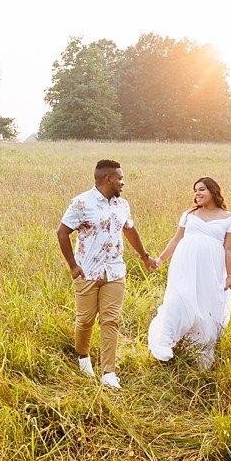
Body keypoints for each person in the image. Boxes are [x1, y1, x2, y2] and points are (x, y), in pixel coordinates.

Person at [56, 159, 157, 390]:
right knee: (85, 320)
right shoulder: (82, 202)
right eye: (120, 178)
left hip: (115, 271)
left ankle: (109, 373)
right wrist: (73, 265)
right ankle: (83, 357)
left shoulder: (122, 205)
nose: (123, 183)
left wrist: (144, 256)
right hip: (87, 272)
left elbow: (129, 230)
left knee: (111, 320)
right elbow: (62, 233)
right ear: (108, 178)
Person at [146, 176, 231, 371]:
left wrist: (230, 275)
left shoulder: (229, 218)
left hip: (210, 269)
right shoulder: (189, 214)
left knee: (206, 304)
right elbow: (176, 240)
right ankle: (166, 341)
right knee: (179, 298)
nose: (197, 193)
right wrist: (161, 259)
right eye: (195, 190)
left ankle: (199, 347)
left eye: (202, 189)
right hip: (184, 266)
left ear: (213, 191)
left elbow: (230, 249)